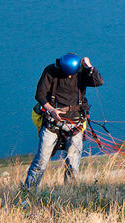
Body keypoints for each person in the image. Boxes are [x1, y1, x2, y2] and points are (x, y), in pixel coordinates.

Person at [23, 52, 103, 190]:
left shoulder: (83, 71)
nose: (70, 76)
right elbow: (40, 95)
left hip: (75, 123)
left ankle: (70, 193)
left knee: (73, 163)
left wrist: (89, 66)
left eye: (72, 74)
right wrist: (51, 110)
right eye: (67, 74)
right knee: (41, 161)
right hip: (52, 123)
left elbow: (98, 82)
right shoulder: (51, 71)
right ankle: (28, 191)